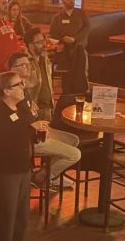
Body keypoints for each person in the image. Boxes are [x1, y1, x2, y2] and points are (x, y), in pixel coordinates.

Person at [0, 71, 40, 241]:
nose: (22, 87)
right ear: (6, 91)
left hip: (24, 167)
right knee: (6, 214)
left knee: (22, 213)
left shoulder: (21, 108)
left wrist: (36, 130)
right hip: (7, 171)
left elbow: (28, 130)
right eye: (18, 85)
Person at [8, 51, 80, 190]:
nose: (28, 67)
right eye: (23, 65)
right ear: (13, 69)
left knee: (73, 140)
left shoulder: (24, 87)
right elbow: (15, 122)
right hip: (28, 140)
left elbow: (30, 112)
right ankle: (44, 176)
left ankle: (48, 175)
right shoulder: (12, 91)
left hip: (37, 130)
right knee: (75, 155)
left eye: (28, 64)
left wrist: (37, 118)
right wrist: (35, 123)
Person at [49, 0, 91, 93]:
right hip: (64, 51)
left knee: (83, 70)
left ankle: (84, 92)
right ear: (63, 1)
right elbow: (53, 32)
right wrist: (63, 39)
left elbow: (87, 27)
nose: (71, 1)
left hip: (79, 48)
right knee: (66, 73)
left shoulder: (81, 13)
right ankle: (67, 93)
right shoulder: (57, 17)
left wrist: (75, 39)